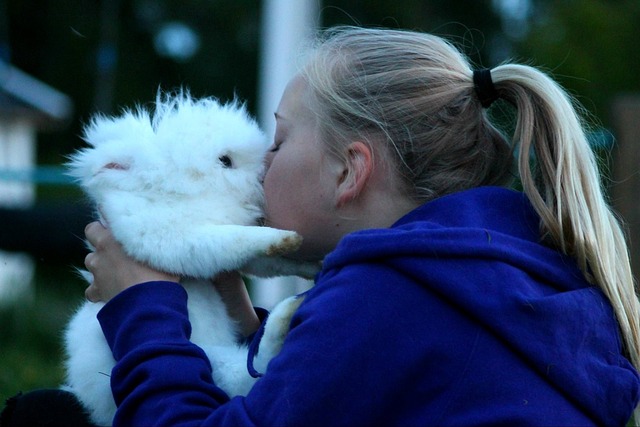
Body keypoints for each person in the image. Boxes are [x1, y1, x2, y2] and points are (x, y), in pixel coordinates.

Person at [3, 26, 639, 426]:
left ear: (349, 173)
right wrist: (236, 314)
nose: (261, 170)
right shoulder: (497, 273)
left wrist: (142, 304)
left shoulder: (390, 295)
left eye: (277, 143)